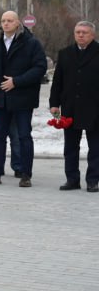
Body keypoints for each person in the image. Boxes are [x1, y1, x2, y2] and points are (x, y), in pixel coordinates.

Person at [0, 11, 48, 187]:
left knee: (24, 135)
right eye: (3, 21)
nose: (6, 24)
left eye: (9, 21)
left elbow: (40, 68)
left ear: (18, 23)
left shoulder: (31, 42)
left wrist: (16, 81)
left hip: (23, 98)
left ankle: (25, 174)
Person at [49, 20, 99, 192]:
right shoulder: (65, 53)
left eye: (84, 32)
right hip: (71, 107)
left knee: (96, 148)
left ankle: (93, 180)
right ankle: (72, 179)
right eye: (78, 32)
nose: (81, 35)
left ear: (92, 35)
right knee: (70, 147)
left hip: (94, 108)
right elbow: (57, 81)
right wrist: (54, 104)